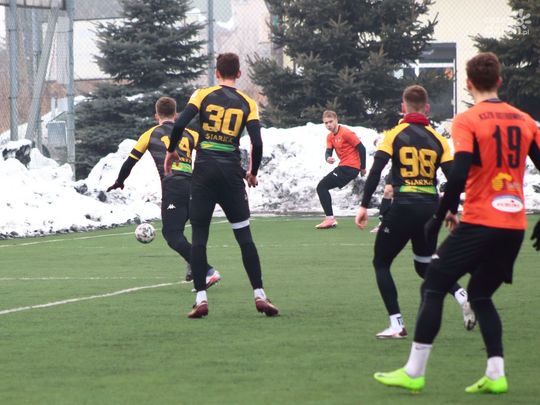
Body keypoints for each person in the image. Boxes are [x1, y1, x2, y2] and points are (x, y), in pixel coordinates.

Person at [374, 52, 540, 394]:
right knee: (480, 294)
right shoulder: (525, 120)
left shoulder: (467, 120)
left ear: (467, 83)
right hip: (514, 226)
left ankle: (414, 371)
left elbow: (460, 171)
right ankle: (496, 374)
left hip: (481, 221)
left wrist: (440, 216)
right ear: (499, 81)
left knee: (432, 285)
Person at [164, 52, 279, 319]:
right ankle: (260, 294)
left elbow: (179, 124)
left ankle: (201, 299)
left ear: (216, 73)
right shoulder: (248, 103)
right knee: (244, 236)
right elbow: (257, 143)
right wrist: (252, 173)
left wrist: (171, 151)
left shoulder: (202, 95)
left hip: (204, 172)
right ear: (238, 74)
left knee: (199, 237)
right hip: (230, 174)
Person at [355, 85, 474, 339]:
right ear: (427, 108)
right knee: (424, 267)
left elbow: (375, 171)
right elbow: (454, 177)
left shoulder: (393, 134)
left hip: (404, 207)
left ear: (403, 107)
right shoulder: (439, 139)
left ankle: (397, 324)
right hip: (431, 209)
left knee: (381, 263)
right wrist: (452, 210)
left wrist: (364, 205)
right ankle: (461, 294)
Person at [107, 97, 221, 288]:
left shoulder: (150, 134)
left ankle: (207, 271)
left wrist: (120, 181)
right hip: (195, 187)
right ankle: (194, 266)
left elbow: (130, 161)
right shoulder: (190, 133)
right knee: (182, 230)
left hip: (174, 188)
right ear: (176, 115)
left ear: (156, 116)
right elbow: (211, 153)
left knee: (171, 234)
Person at [315, 110, 367, 229]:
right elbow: (328, 151)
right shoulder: (330, 136)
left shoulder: (346, 133)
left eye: (330, 121)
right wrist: (328, 158)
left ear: (336, 120)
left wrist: (363, 167)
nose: (328, 125)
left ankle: (330, 219)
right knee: (322, 187)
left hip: (350, 167)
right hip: (344, 167)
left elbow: (362, 148)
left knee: (322, 186)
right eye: (326, 123)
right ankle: (330, 219)